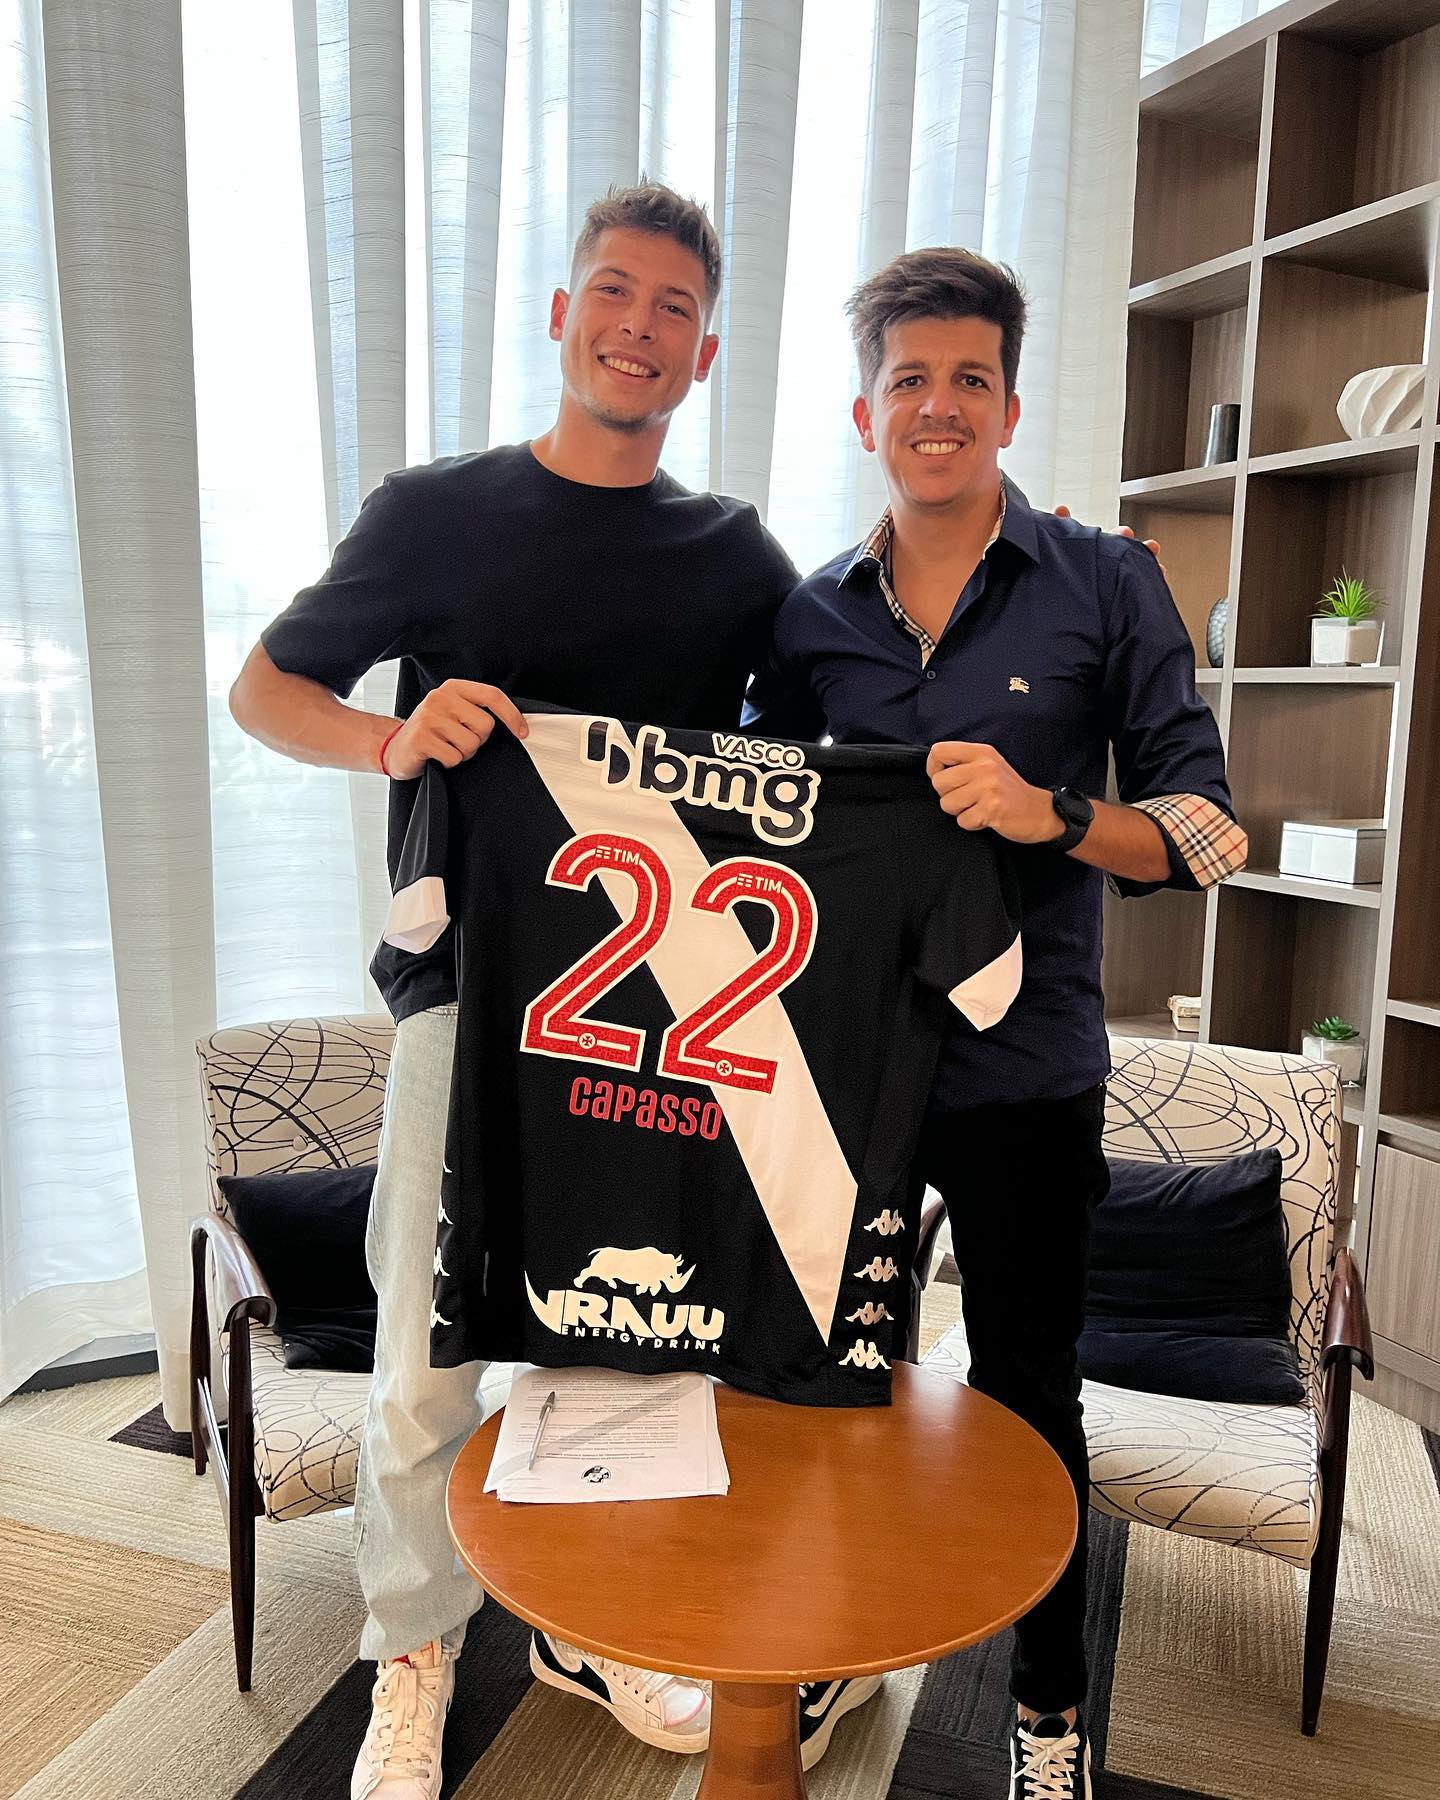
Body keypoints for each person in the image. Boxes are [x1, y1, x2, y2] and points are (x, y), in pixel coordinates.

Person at [231, 182, 803, 1800]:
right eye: (614, 290)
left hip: (661, 1004)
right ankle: (411, 1653)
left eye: (676, 307)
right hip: (467, 987)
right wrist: (392, 738)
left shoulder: (736, 554)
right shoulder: (435, 513)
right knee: (428, 1342)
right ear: (562, 315)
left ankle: (593, 1619)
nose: (640, 325)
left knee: (627, 1329)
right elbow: (265, 687)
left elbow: (823, 741)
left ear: (703, 354)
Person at [744, 248, 1248, 1800]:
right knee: (839, 1380)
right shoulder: (809, 615)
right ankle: (839, 1631)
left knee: (1029, 1391)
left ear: (1012, 407)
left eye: (972, 379)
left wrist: (1054, 813)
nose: (941, 407)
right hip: (848, 1079)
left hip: (1029, 1078)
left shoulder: (1108, 579)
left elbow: (1210, 831)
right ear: (865, 412)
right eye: (911, 380)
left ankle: (1047, 1710)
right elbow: (750, 826)